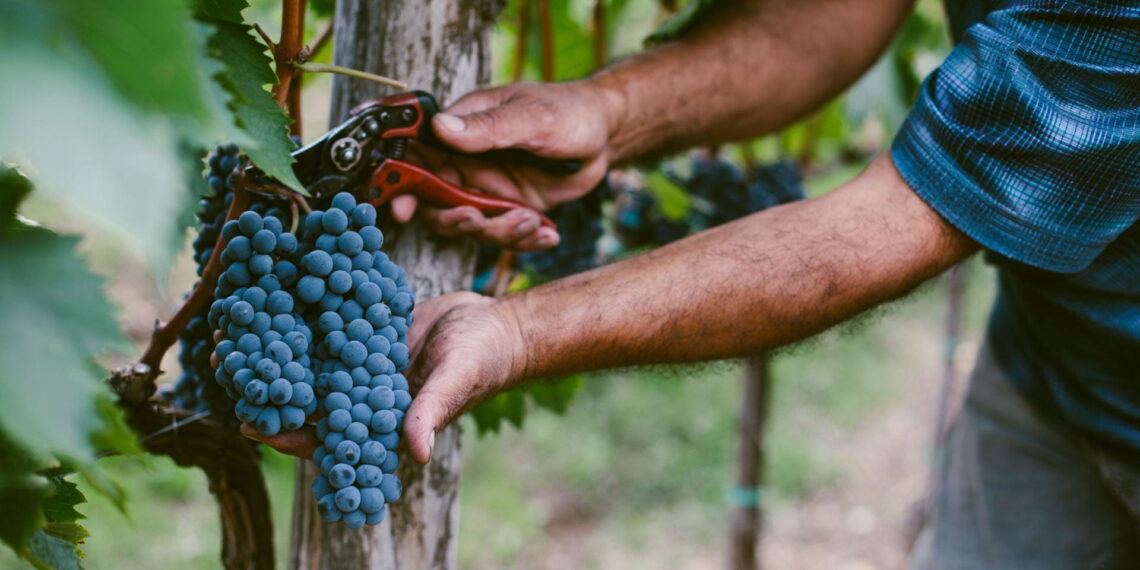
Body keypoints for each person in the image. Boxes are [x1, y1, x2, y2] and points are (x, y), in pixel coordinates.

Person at [251, 0, 1140, 566]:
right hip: (1051, 367)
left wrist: (519, 332)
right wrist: (613, 113)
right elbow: (831, 17)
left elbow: (886, 227)